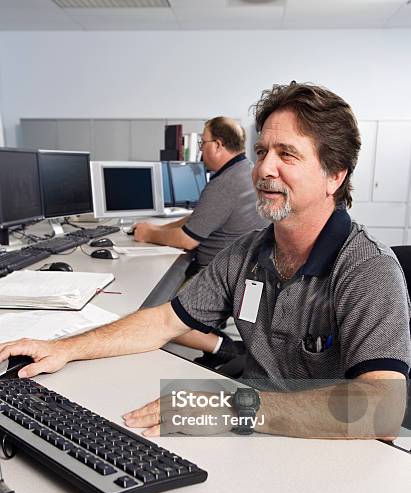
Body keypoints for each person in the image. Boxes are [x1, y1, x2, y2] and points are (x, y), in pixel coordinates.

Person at [0, 83, 409, 440]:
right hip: (255, 432)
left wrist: (234, 407)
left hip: (325, 448)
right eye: (262, 151)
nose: (264, 168)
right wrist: (64, 349)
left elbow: (384, 410)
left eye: (288, 155)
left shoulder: (367, 269)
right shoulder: (248, 252)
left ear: (334, 175)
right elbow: (164, 322)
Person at [133, 116, 267, 367]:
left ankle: (223, 348)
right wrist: (157, 227)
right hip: (241, 269)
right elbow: (199, 218)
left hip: (220, 273)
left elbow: (187, 239)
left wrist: (147, 234)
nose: (200, 150)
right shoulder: (242, 169)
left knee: (149, 311)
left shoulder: (226, 183)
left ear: (217, 145)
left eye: (203, 143)